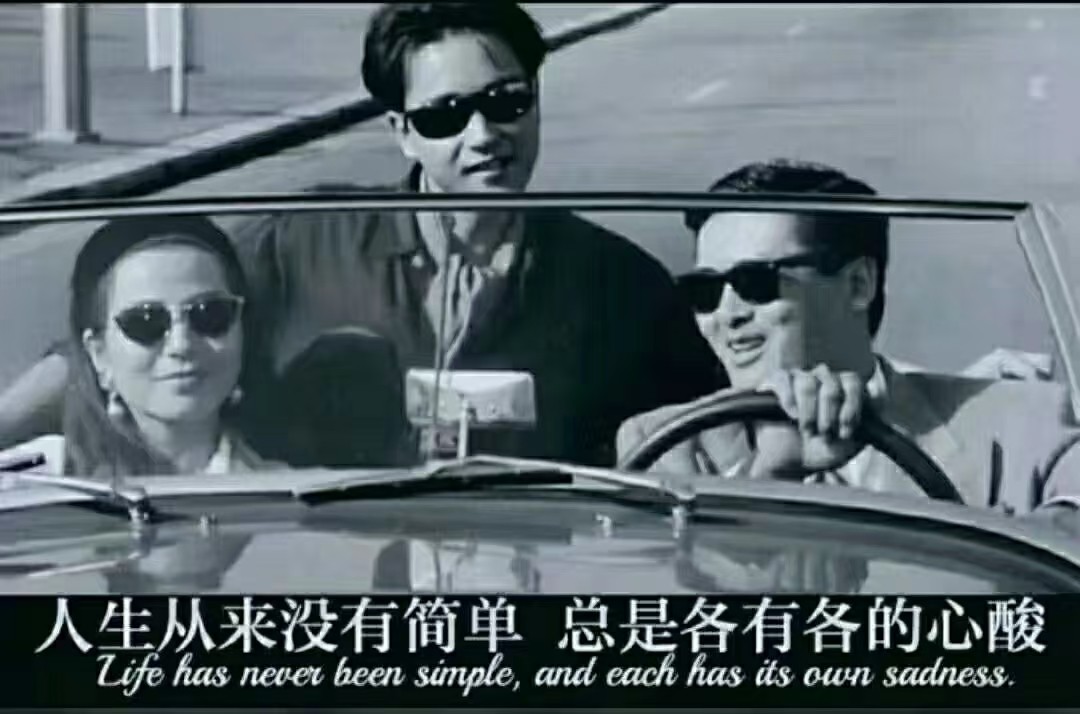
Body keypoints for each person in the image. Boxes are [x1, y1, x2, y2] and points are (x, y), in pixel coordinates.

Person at [617, 159, 1080, 526]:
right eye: (704, 291)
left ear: (859, 284)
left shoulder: (1024, 422)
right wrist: (774, 474)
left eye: (755, 282)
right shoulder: (663, 445)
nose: (728, 314)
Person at [0, 216, 275, 477]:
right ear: (99, 354)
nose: (181, 344)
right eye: (145, 321)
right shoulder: (33, 483)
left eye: (209, 314)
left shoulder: (285, 489)